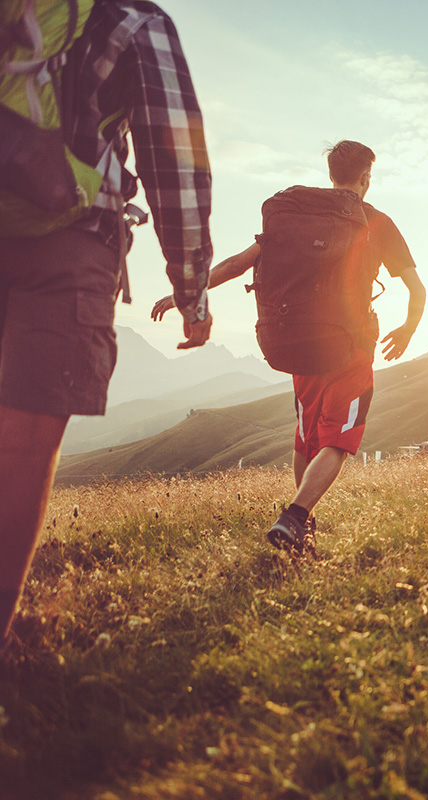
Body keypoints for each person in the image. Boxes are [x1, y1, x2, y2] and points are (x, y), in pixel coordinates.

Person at [0, 0, 212, 646]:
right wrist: (192, 292)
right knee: (24, 443)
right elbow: (175, 166)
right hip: (71, 241)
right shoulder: (136, 24)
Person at [152, 141, 425, 554]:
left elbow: (235, 265)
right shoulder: (377, 222)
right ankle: (296, 517)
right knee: (340, 439)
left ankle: (302, 529)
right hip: (351, 346)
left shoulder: (292, 219)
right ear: (365, 178)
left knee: (307, 438)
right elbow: (416, 289)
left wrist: (182, 294)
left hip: (299, 342)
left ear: (332, 175)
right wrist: (407, 329)